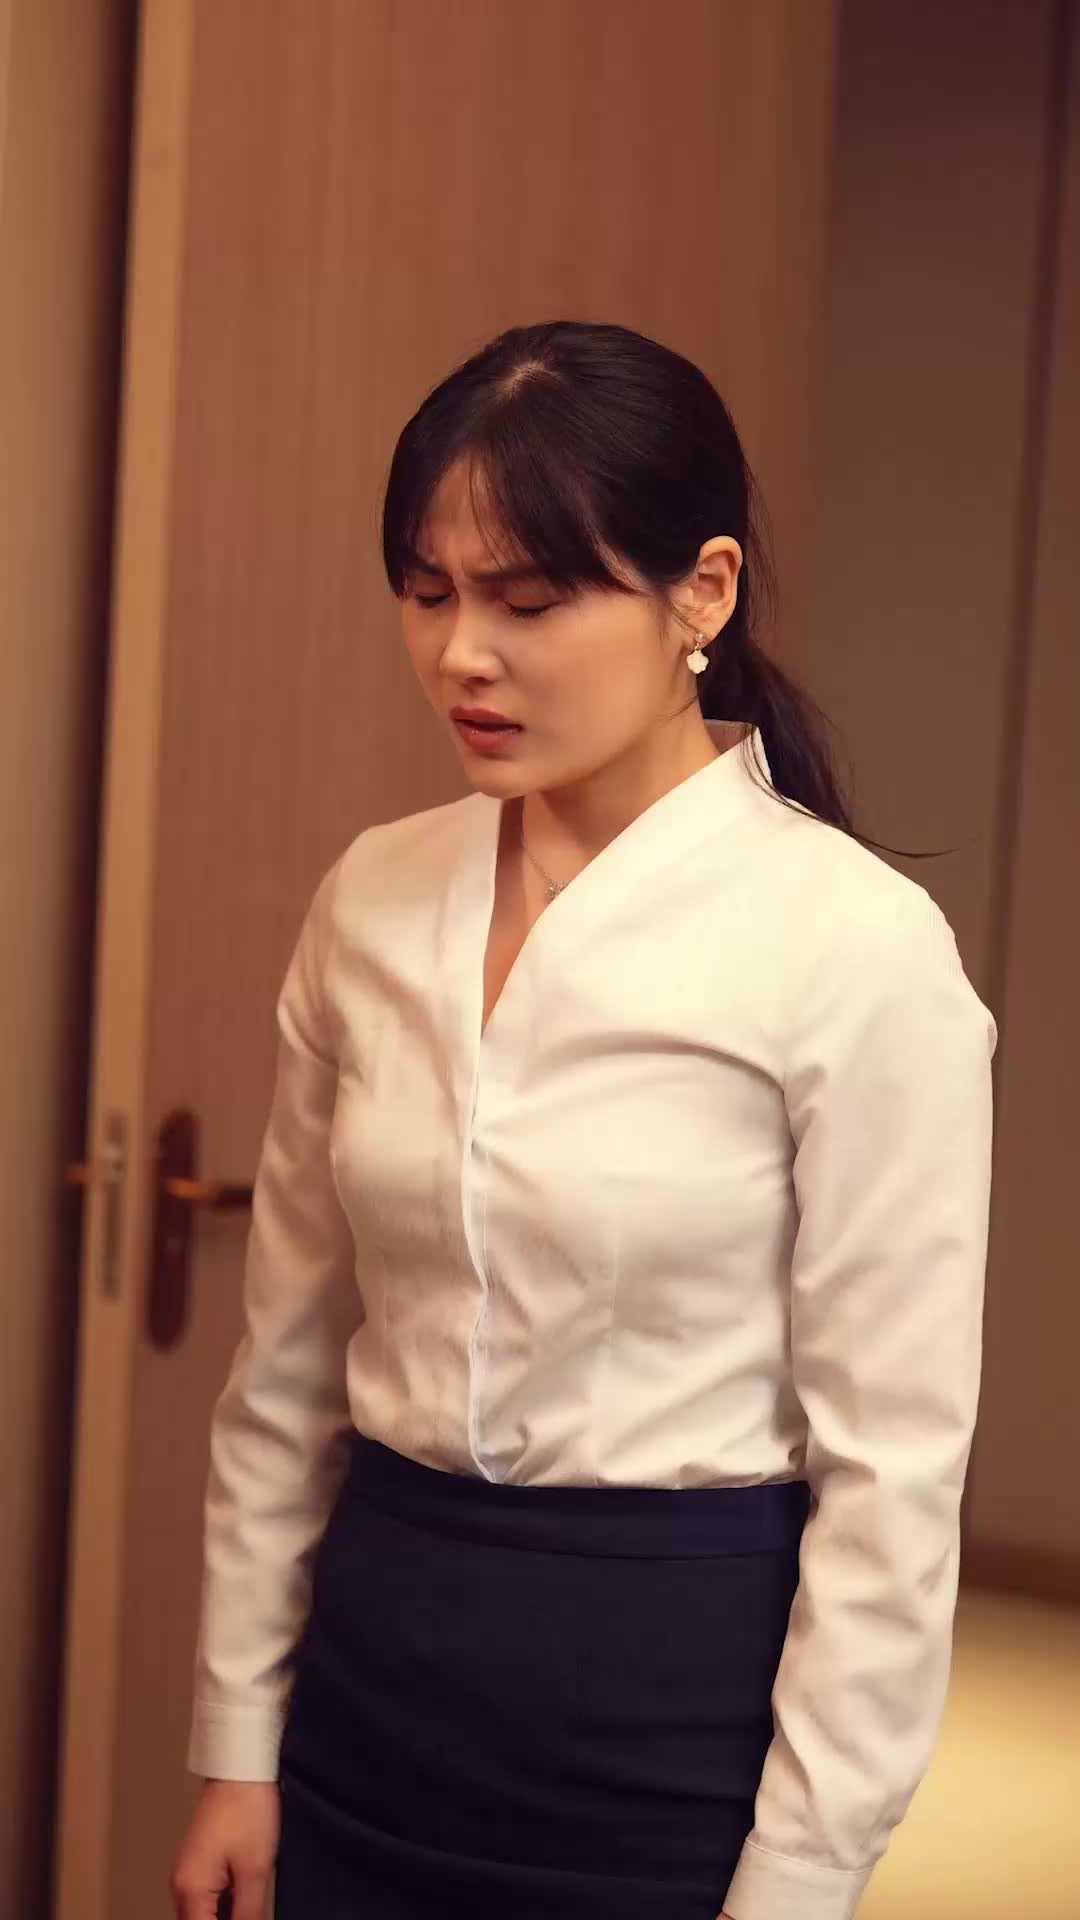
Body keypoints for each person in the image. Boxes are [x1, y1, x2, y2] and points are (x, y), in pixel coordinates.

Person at [170, 320, 996, 1920]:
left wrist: (804, 1875)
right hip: (370, 1686)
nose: (462, 655)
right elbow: (286, 1372)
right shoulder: (374, 897)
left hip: (665, 1727)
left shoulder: (853, 948)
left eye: (531, 601)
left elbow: (894, 1474)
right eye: (428, 592)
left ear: (704, 593)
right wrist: (236, 1744)